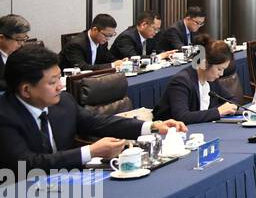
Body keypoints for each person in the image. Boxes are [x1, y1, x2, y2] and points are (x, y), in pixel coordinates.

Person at [0, 46, 185, 172]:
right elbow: (27, 164)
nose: (60, 86)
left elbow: (99, 123)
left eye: (59, 79)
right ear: (26, 90)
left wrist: (152, 126)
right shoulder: (5, 115)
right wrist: (90, 151)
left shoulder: (64, 101)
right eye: (52, 82)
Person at [154, 36, 240, 125]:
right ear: (205, 63)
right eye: (219, 69)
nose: (221, 74)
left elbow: (232, 99)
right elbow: (182, 117)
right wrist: (218, 111)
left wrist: (229, 107)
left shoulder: (211, 80)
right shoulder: (181, 81)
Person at [0, 14, 32, 93]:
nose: (22, 44)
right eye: (18, 40)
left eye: (24, 39)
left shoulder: (21, 54)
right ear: (1, 38)